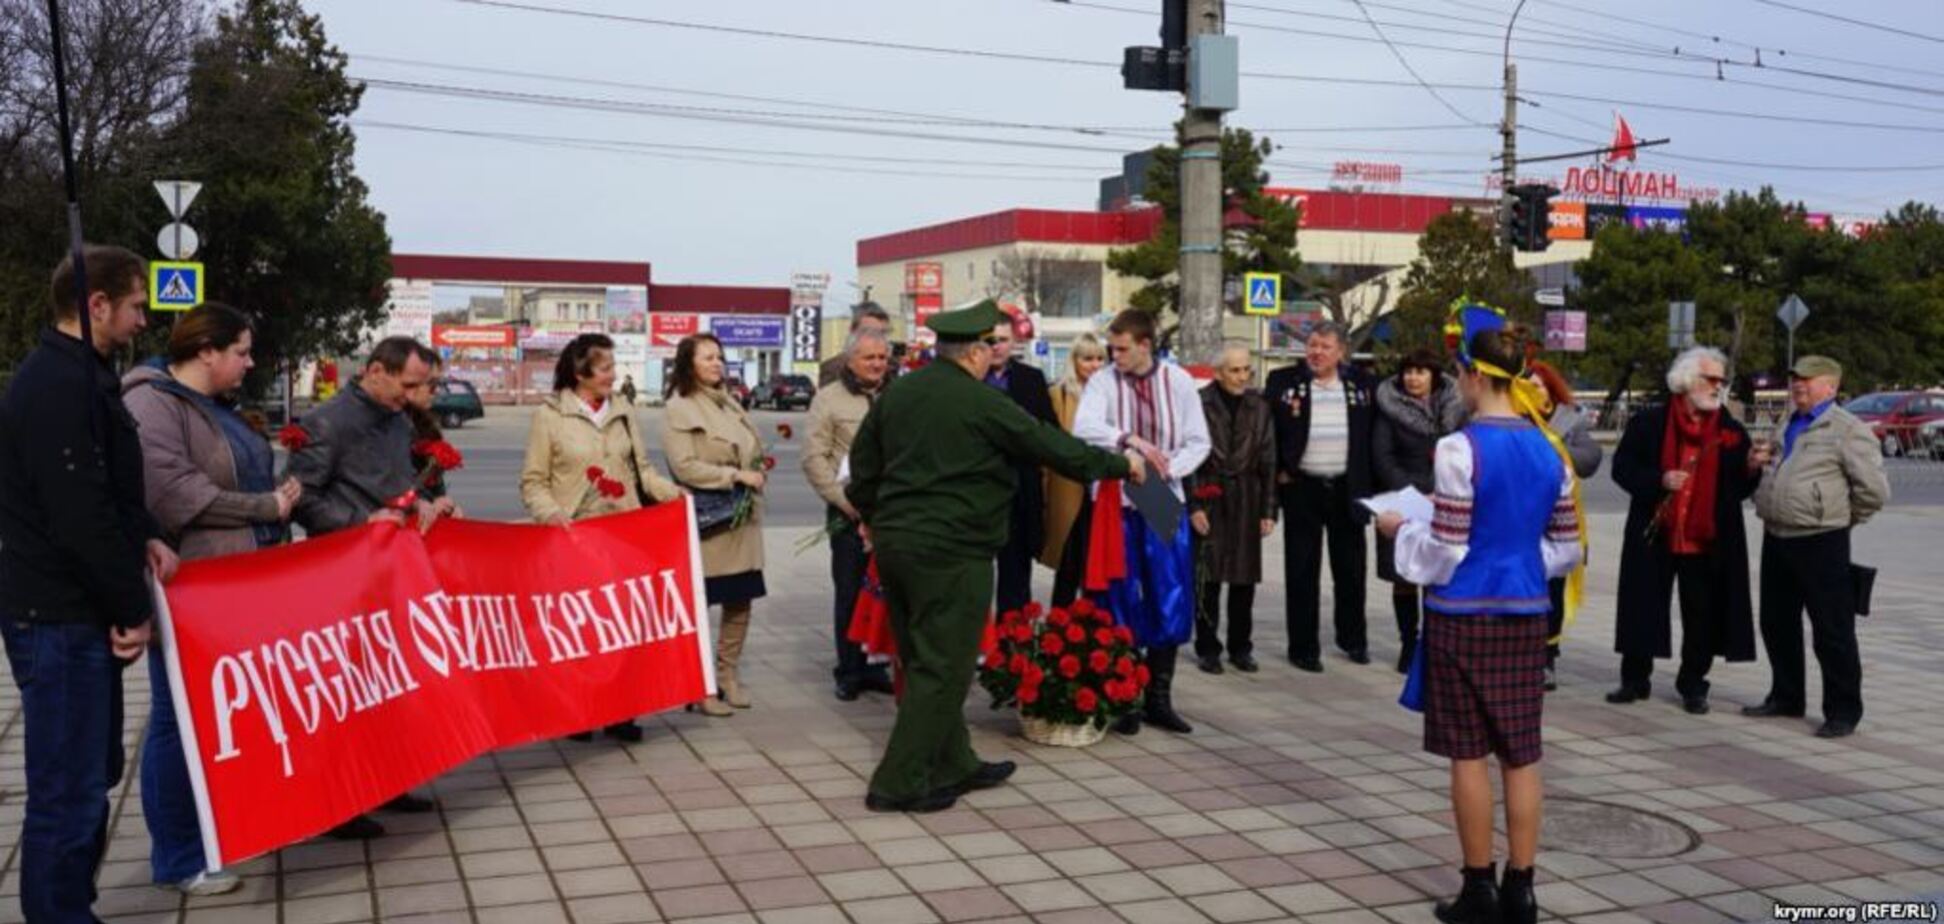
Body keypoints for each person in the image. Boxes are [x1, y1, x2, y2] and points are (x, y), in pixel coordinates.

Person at [847, 299, 1143, 813]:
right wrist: (1122, 465)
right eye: (990, 346)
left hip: (895, 546)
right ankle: (898, 781)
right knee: (945, 666)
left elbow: (863, 467)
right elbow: (1051, 446)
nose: (993, 355)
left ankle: (954, 761)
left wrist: (879, 516)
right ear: (974, 352)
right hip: (953, 550)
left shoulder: (899, 392)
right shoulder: (982, 400)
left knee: (921, 656)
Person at [1375, 307, 1582, 924]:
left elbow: (1447, 548)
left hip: (1463, 613)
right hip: (1525, 611)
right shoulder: (1549, 449)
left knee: (1468, 755)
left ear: (1472, 375)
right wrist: (1517, 559)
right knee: (1522, 752)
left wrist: (1400, 529)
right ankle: (1523, 889)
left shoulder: (1458, 448)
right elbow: (1567, 548)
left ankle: (1478, 889)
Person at [0, 245, 179, 923]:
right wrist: (132, 609)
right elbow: (79, 515)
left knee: (89, 778)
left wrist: (149, 532)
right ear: (96, 304)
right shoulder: (56, 385)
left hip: (72, 615)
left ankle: (72, 905)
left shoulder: (86, 376)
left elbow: (109, 489)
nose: (143, 320)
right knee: (67, 792)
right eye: (136, 305)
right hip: (58, 618)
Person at [122, 303, 301, 896]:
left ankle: (221, 832)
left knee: (222, 718)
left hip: (235, 583)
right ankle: (179, 856)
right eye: (241, 352)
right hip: (191, 588)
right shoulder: (152, 403)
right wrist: (266, 507)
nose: (249, 364)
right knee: (179, 722)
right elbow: (174, 493)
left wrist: (276, 500)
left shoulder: (212, 405)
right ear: (206, 352)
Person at [282, 335, 451, 837]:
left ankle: (387, 781)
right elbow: (301, 499)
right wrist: (363, 522)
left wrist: (425, 504)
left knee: (389, 684)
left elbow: (398, 484)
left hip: (391, 571)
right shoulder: (327, 422)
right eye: (408, 385)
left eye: (420, 386)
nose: (413, 396)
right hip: (343, 574)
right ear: (376, 371)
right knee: (349, 691)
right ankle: (338, 803)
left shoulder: (397, 418)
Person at [521, 333, 682, 740]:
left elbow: (642, 470)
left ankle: (620, 711)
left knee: (623, 626)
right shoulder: (550, 416)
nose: (613, 374)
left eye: (613, 366)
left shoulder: (623, 411)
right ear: (581, 373)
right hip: (573, 536)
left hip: (623, 533)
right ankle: (580, 712)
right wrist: (551, 514)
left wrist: (676, 496)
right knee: (581, 628)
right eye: (605, 368)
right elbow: (534, 482)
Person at [1073, 309, 1211, 734]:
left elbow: (1199, 441)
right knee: (1118, 593)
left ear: (1145, 345)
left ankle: (1158, 697)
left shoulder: (1178, 381)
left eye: (1121, 349)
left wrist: (1166, 470)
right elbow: (1084, 426)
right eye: (1111, 348)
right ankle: (1124, 696)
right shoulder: (1104, 381)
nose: (1113, 356)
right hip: (1115, 493)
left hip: (1159, 492)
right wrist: (1128, 440)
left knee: (1168, 591)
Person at [1608, 347, 1765, 715]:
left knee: (1702, 614)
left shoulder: (1730, 430)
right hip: (1656, 532)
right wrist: (1659, 479)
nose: (1718, 386)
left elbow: (1740, 488)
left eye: (1722, 380)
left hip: (1707, 539)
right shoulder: (1650, 422)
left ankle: (1693, 684)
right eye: (1711, 379)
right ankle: (1635, 679)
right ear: (1686, 380)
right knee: (1642, 604)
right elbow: (1622, 468)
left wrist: (1751, 467)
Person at [1746, 356, 1889, 738]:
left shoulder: (1847, 429)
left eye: (1808, 380)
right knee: (1776, 622)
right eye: (1795, 379)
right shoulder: (1788, 422)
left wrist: (1839, 518)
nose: (1798, 385)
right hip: (1778, 535)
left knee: (1831, 629)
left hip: (1822, 540)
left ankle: (1842, 710)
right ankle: (1786, 696)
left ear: (1831, 387)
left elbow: (1874, 491)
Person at [663, 333, 769, 718]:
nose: (716, 363)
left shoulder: (728, 401)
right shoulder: (680, 407)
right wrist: (734, 475)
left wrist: (754, 468)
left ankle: (728, 675)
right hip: (712, 520)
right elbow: (684, 466)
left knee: (741, 599)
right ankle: (699, 685)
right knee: (701, 604)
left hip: (742, 519)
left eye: (719, 357)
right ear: (688, 363)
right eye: (707, 357)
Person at [1264, 322, 1378, 672]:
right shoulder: (1283, 382)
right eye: (1312, 345)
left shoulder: (1363, 385)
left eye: (1325, 347)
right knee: (1301, 569)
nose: (1316, 352)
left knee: (1351, 570)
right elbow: (1269, 432)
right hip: (1302, 487)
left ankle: (1353, 638)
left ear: (1341, 351)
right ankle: (1303, 647)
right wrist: (1282, 470)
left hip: (1347, 487)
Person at [804, 327, 896, 701]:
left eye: (882, 357)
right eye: (868, 357)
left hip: (893, 513)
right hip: (848, 513)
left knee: (886, 592)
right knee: (850, 591)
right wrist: (847, 504)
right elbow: (814, 458)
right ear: (850, 360)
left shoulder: (899, 394)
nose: (877, 364)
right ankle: (850, 670)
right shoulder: (828, 399)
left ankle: (876, 664)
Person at [1371, 348, 1467, 674]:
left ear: (1434, 376)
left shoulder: (1456, 407)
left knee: (1436, 574)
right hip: (1401, 501)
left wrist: (1440, 490)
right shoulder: (1389, 407)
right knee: (1404, 577)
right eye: (1408, 372)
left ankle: (1433, 643)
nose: (1413, 378)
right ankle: (1408, 643)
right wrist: (1414, 492)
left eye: (1420, 372)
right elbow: (1382, 457)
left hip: (1445, 498)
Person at [1185, 345, 1276, 676]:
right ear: (1218, 372)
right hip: (1210, 493)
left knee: (1243, 581)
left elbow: (1269, 459)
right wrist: (1194, 505)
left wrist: (1268, 510)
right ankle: (1208, 648)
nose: (1242, 377)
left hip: (1247, 498)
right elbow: (1189, 457)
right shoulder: (1199, 403)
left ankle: (1241, 648)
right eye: (1234, 370)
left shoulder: (1259, 406)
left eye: (1246, 370)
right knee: (1207, 579)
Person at [1526, 359, 1603, 689]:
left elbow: (1590, 458)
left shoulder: (1568, 420)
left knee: (1553, 591)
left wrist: (1555, 450)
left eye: (1539, 385)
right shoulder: (1512, 418)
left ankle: (1547, 656)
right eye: (1527, 385)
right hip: (1521, 516)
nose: (1533, 391)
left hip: (1557, 519)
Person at [985, 309, 1059, 614]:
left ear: (1014, 341)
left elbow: (1050, 431)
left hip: (1019, 490)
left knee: (1015, 576)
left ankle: (1013, 638)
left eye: (1002, 340)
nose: (996, 347)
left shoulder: (1031, 379)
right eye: (990, 340)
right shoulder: (966, 379)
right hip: (978, 490)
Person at [1042, 333, 1107, 607]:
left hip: (1103, 490)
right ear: (1074, 360)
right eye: (1087, 358)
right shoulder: (1058, 395)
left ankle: (1096, 622)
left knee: (1099, 564)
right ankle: (1061, 621)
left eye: (1100, 358)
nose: (1095, 365)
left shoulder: (1112, 393)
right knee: (1068, 563)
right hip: (1067, 488)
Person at [820, 302, 893, 387]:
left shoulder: (895, 369)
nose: (876, 337)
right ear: (852, 330)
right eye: (868, 332)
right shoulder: (832, 371)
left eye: (882, 332)